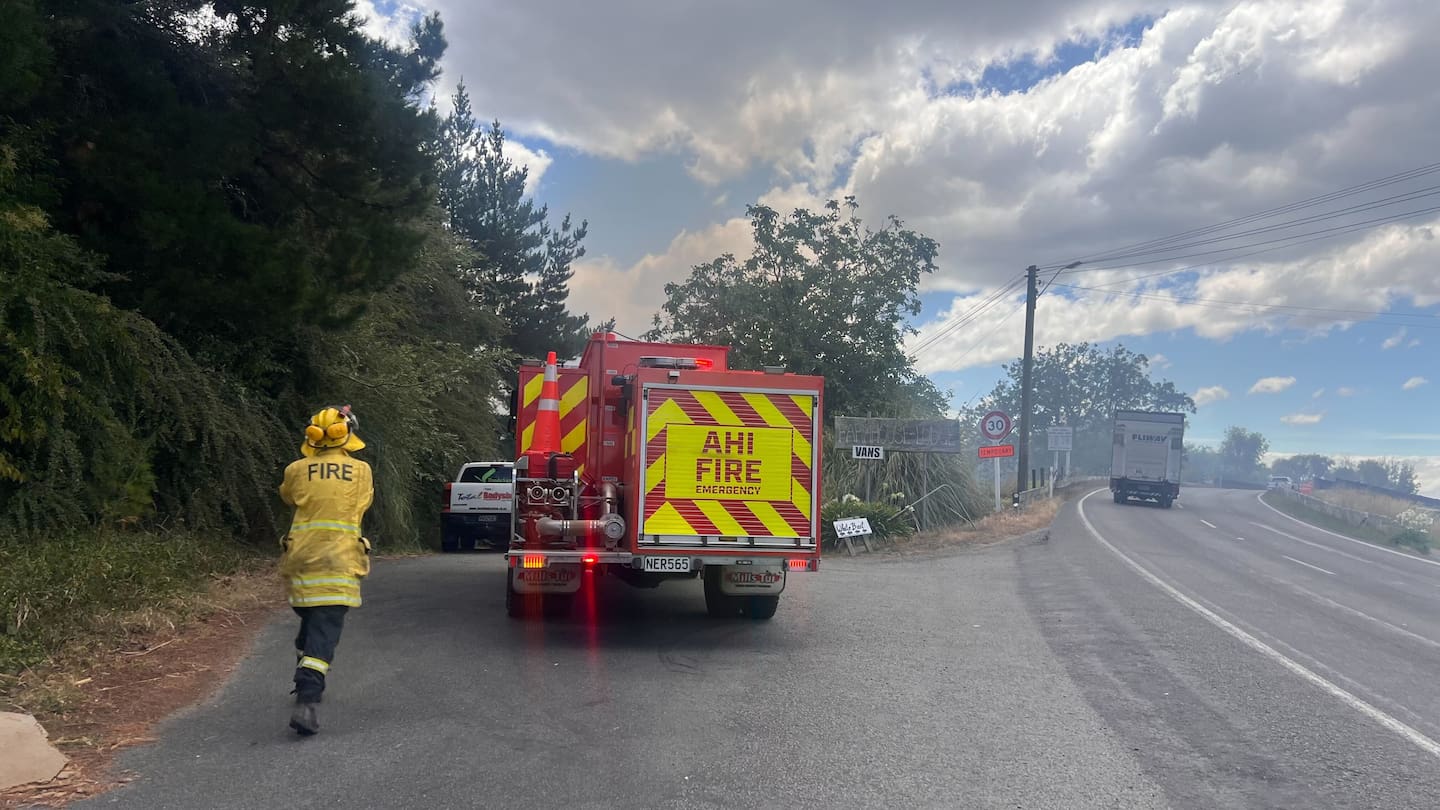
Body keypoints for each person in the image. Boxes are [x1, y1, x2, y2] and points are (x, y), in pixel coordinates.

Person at [278, 405, 374, 735]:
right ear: (347, 435)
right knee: (325, 631)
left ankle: (304, 666)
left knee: (311, 620)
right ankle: (308, 697)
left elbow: (288, 497)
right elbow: (362, 503)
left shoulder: (295, 469)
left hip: (301, 561)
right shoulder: (361, 471)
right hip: (339, 563)